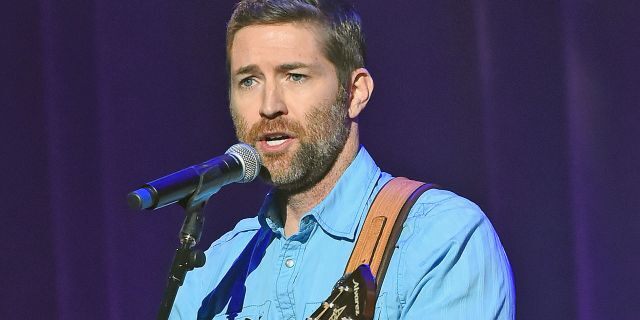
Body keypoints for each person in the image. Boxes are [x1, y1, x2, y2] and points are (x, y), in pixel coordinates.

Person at [170, 0, 515, 319]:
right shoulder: (214, 270)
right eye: (249, 80)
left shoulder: (441, 236)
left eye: (295, 76)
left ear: (355, 93)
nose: (269, 105)